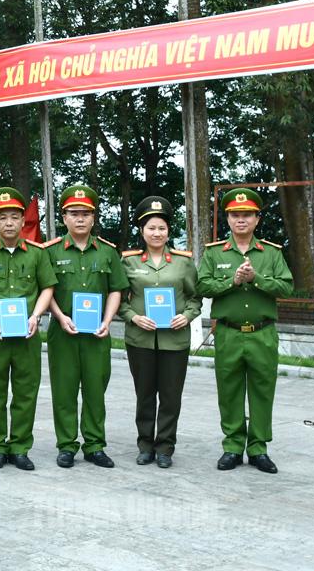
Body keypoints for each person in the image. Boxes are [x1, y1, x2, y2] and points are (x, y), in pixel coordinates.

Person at [198, 187, 294, 474]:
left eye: (247, 215)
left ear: (257, 219)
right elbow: (202, 286)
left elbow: (287, 287)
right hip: (228, 332)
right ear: (228, 219)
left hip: (263, 333)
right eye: (235, 215)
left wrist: (257, 278)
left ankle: (258, 448)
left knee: (263, 390)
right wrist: (233, 281)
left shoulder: (271, 253)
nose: (241, 220)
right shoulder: (215, 253)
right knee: (229, 390)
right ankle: (232, 446)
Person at [0, 187, 56, 471]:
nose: (9, 223)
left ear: (22, 221)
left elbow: (47, 287)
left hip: (27, 334)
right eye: (3, 217)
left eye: (15, 217)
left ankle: (19, 446)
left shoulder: (37, 254)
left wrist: (36, 315)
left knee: (26, 390)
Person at [44, 185, 128, 469]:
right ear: (64, 218)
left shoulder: (107, 252)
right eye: (73, 213)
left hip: (96, 333)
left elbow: (116, 289)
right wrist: (58, 316)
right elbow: (47, 289)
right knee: (64, 390)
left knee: (95, 389)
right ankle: (66, 445)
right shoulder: (51, 252)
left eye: (85, 213)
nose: (79, 219)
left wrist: (107, 321)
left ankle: (94, 445)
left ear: (93, 218)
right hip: (63, 331)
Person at [118, 195, 201, 469]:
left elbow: (195, 297)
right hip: (140, 339)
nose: (157, 233)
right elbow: (119, 300)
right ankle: (145, 444)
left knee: (170, 396)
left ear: (168, 232)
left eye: (162, 228)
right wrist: (134, 318)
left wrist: (186, 316)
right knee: (144, 395)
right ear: (142, 231)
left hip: (174, 340)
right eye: (151, 228)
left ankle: (165, 446)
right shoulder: (129, 262)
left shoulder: (183, 262)